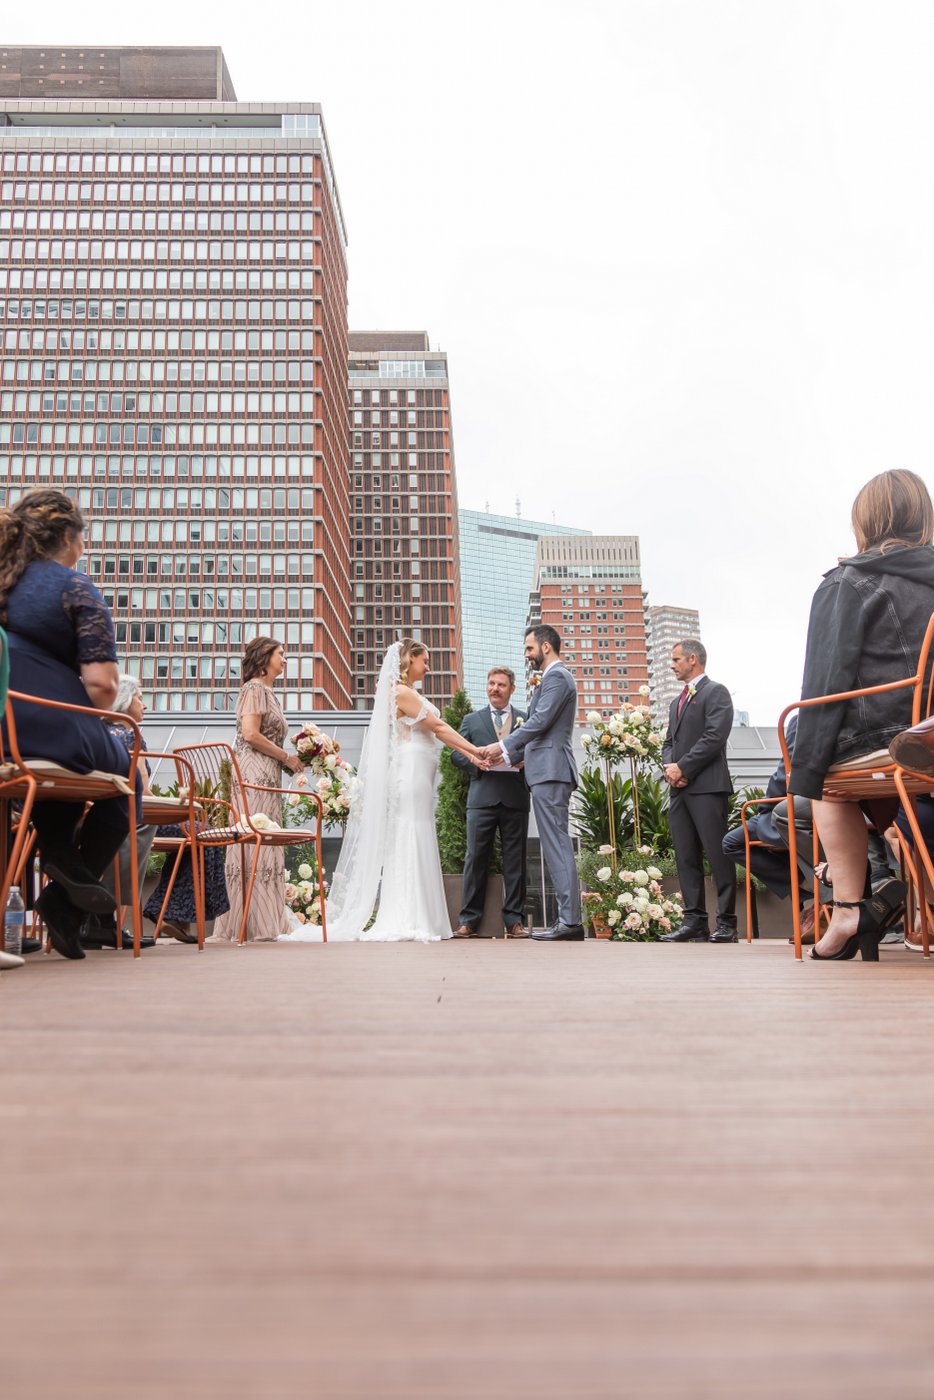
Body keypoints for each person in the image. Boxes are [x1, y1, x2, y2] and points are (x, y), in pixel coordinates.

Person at [789, 469, 934, 961]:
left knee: (828, 782)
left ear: (865, 521)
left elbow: (826, 684)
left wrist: (806, 769)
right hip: (930, 733)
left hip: (890, 736)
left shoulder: (848, 581)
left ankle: (849, 910)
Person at [280, 638, 490, 943]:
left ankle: (420, 914)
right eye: (425, 660)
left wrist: (471, 755)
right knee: (411, 831)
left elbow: (438, 731)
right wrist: (476, 751)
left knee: (417, 829)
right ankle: (410, 915)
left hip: (417, 769)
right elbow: (439, 728)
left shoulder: (407, 693)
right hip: (412, 769)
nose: (428, 666)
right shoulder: (402, 692)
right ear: (410, 660)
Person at [0, 489, 134, 960]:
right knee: (127, 777)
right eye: (83, 539)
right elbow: (101, 687)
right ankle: (63, 898)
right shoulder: (75, 587)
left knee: (54, 774)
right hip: (54, 728)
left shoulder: (4, 582)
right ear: (66, 537)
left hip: (4, 734)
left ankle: (56, 852)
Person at [479, 626, 583, 941]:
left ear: (546, 647)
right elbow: (540, 730)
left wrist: (502, 746)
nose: (527, 655)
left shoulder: (557, 678)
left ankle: (570, 922)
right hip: (544, 771)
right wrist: (505, 758)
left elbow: (539, 723)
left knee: (557, 845)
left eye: (529, 649)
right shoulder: (552, 679)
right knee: (555, 846)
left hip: (552, 771)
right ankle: (568, 920)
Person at [209, 637, 303, 943]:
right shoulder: (253, 689)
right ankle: (249, 922)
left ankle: (262, 920)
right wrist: (285, 756)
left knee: (264, 841)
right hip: (253, 773)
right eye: (281, 654)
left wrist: (291, 760)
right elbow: (250, 733)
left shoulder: (269, 692)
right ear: (265, 657)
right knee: (253, 839)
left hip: (268, 774)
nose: (285, 660)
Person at [660, 639, 737, 944]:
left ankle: (728, 923)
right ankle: (694, 921)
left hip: (707, 787)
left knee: (718, 855)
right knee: (686, 856)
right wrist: (670, 768)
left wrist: (684, 768)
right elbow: (669, 743)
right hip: (679, 791)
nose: (672, 664)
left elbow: (714, 736)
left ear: (693, 659)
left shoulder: (716, 692)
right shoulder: (674, 702)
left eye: (676, 659)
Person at [451, 666, 530, 938]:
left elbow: (536, 752)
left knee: (516, 862)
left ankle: (515, 921)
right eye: (491, 684)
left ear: (512, 689)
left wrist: (524, 762)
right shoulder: (472, 720)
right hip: (481, 799)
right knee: (475, 859)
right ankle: (468, 921)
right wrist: (476, 763)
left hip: (515, 798)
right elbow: (456, 754)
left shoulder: (526, 718)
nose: (495, 689)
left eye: (501, 685)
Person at [82, 673, 157, 951]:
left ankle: (101, 914)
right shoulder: (131, 735)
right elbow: (144, 795)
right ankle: (169, 912)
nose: (144, 704)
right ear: (125, 701)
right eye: (140, 697)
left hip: (87, 816)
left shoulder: (96, 733)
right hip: (122, 818)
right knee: (198, 839)